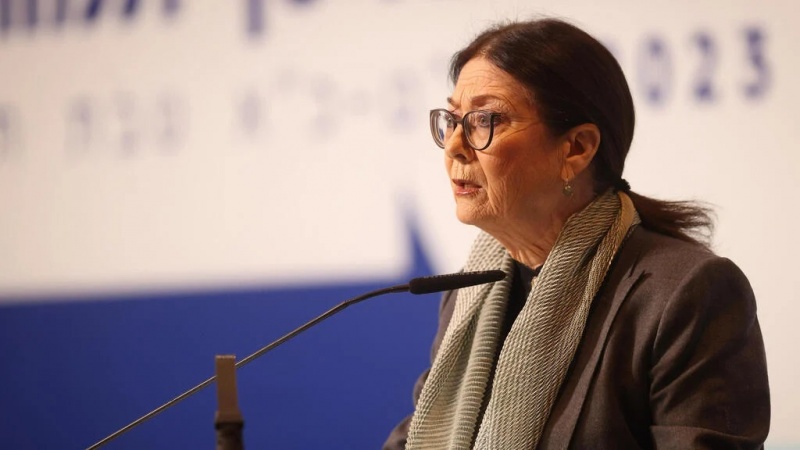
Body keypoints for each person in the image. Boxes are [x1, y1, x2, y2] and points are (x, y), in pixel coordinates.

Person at [383, 18, 770, 450]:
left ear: (577, 148)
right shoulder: (468, 294)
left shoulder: (685, 293)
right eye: (454, 120)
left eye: (485, 120)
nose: (455, 146)